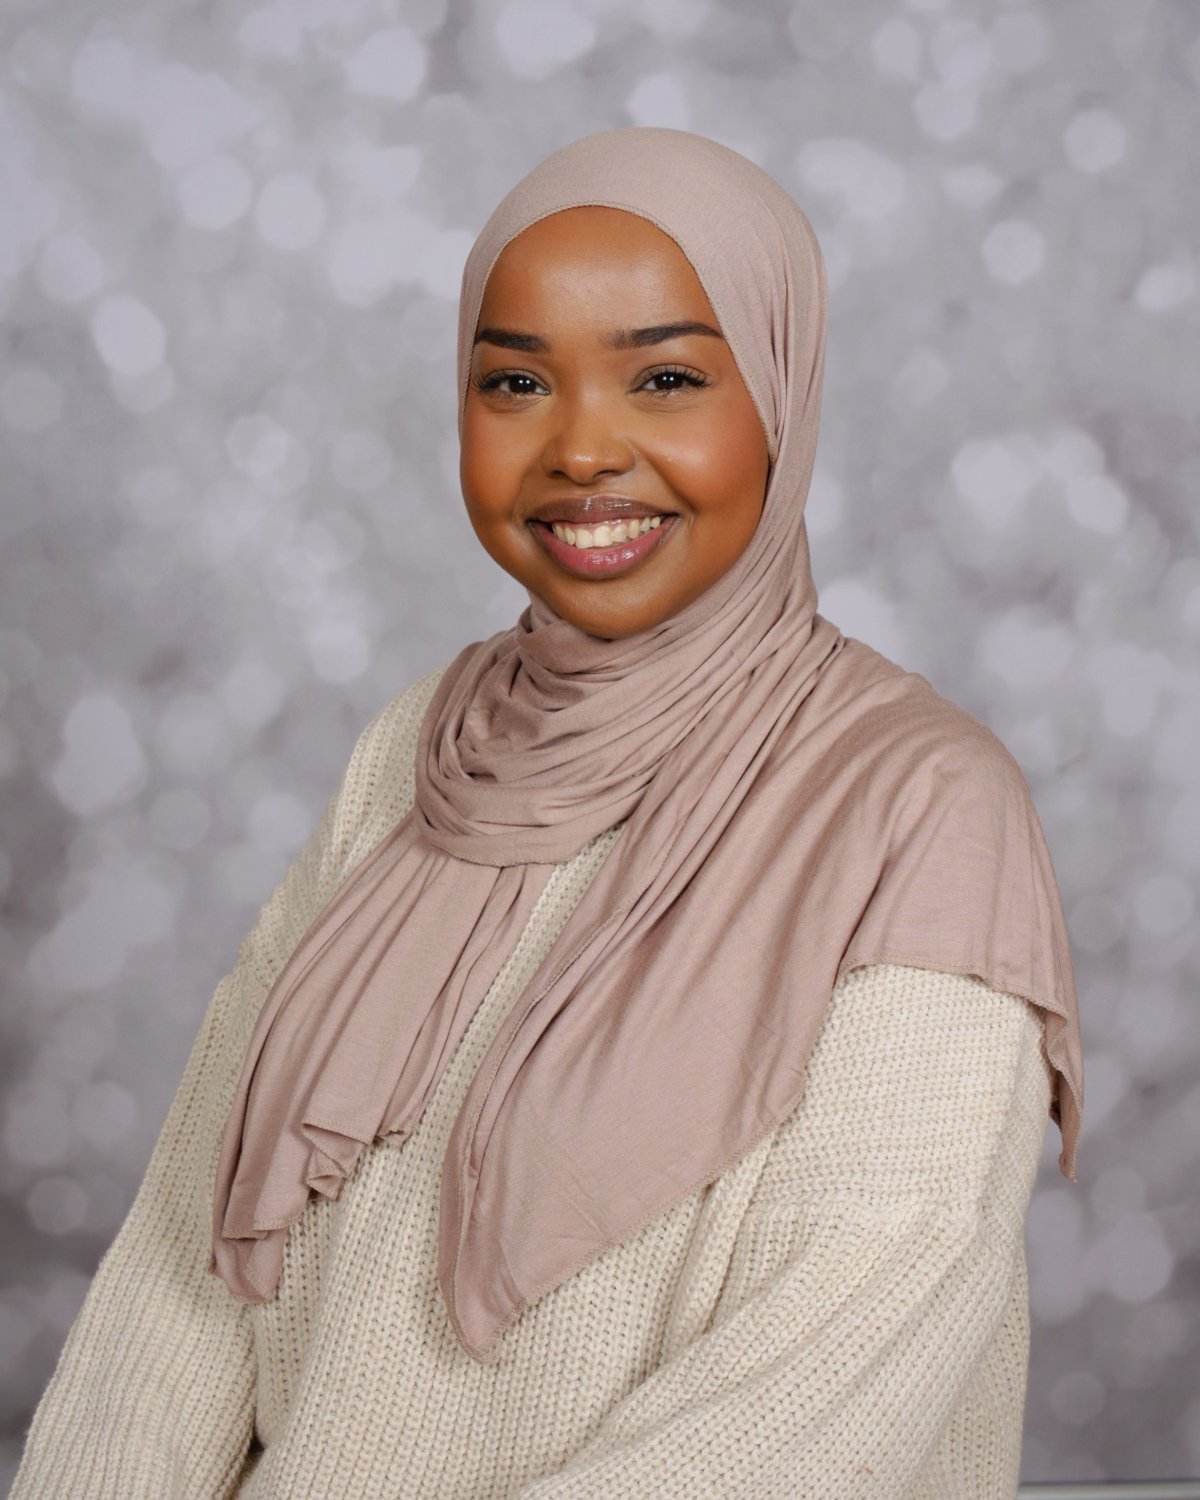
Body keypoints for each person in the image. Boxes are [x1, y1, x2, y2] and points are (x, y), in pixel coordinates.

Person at [11, 127, 1083, 1500]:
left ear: (782, 396)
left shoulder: (919, 808)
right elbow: (189, 1265)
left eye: (667, 378)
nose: (581, 448)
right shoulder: (424, 749)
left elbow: (819, 1397)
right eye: (515, 381)